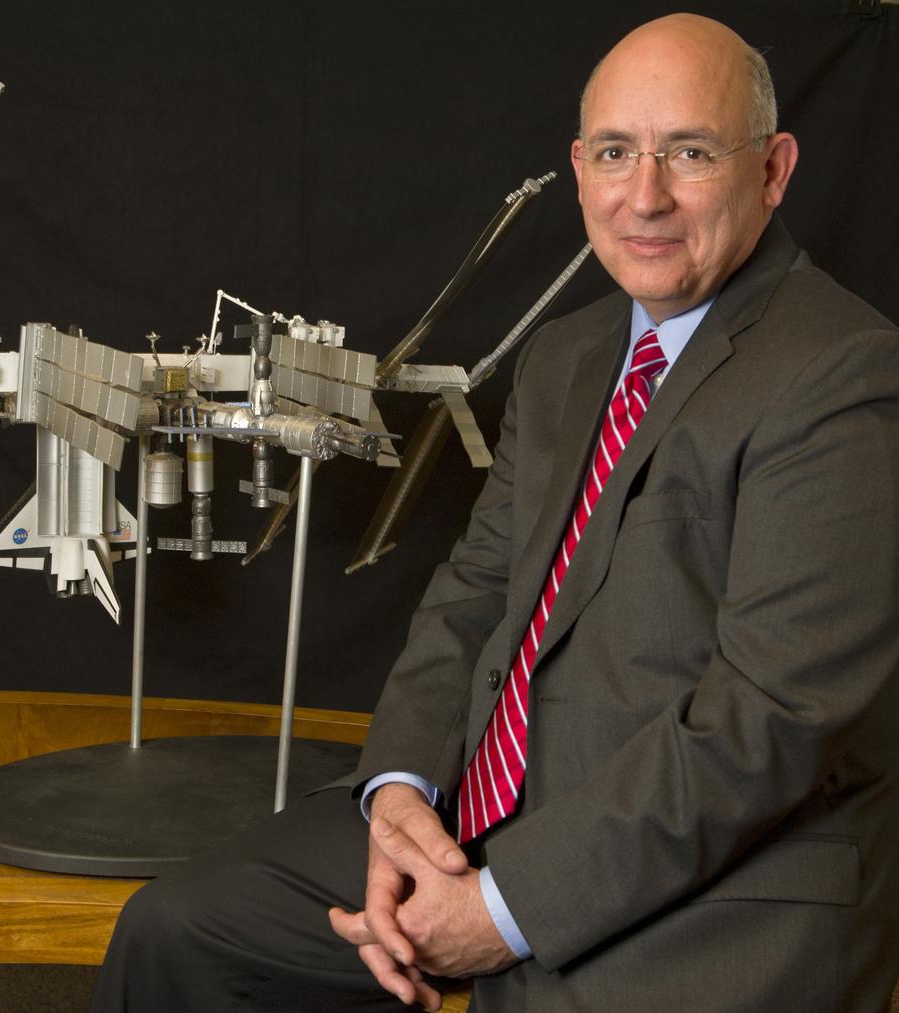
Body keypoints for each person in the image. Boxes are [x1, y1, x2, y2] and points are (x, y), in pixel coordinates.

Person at [90, 14, 899, 1011]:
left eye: (688, 152)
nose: (642, 195)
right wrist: (400, 801)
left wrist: (502, 907)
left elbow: (768, 724)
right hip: (484, 806)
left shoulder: (843, 373)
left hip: (699, 866)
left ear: (771, 170)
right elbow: (473, 591)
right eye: (614, 153)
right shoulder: (566, 355)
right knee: (182, 932)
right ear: (577, 167)